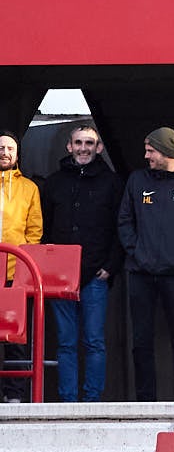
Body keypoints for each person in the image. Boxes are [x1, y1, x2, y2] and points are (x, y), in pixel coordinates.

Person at [117, 127, 174, 401]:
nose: (146, 156)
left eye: (151, 151)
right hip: (140, 272)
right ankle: (145, 401)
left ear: (167, 152)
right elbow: (124, 221)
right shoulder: (136, 180)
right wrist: (137, 252)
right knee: (141, 340)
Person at [40, 124, 122, 403]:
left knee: (94, 342)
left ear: (98, 147)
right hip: (60, 277)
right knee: (65, 343)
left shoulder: (112, 184)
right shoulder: (53, 183)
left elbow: (119, 229)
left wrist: (110, 267)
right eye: (78, 143)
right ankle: (68, 401)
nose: (83, 148)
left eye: (89, 143)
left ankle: (92, 400)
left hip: (95, 275)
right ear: (69, 147)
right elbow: (44, 230)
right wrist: (47, 269)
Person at [0, 130, 43, 403]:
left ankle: (14, 395)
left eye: (10, 148)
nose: (4, 152)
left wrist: (23, 271)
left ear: (17, 154)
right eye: (0, 147)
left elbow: (34, 233)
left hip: (15, 273)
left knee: (15, 338)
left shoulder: (29, 188)